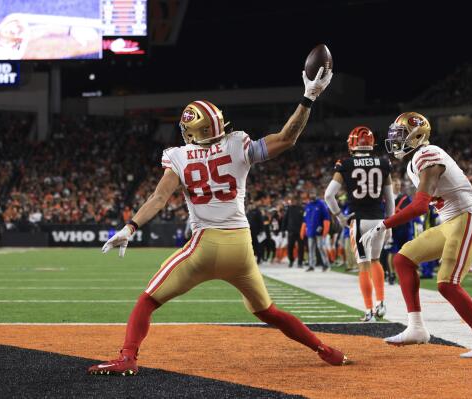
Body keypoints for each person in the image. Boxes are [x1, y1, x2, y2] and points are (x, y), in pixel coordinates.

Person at [89, 67, 349, 376]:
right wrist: (309, 97)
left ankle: (128, 357)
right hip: (240, 247)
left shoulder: (178, 156)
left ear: (189, 132)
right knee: (268, 311)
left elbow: (159, 198)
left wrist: (129, 227)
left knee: (147, 300)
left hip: (205, 245)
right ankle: (325, 350)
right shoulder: (237, 143)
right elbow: (287, 138)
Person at [361, 111, 472, 358]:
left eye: (401, 135)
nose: (396, 140)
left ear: (417, 135)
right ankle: (416, 328)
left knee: (447, 284)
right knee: (403, 259)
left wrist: (382, 225)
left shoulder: (428, 154)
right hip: (451, 221)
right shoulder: (415, 160)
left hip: (468, 217)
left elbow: (419, 206)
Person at [324, 126, 394, 322]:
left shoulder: (345, 164)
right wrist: (390, 222)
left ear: (351, 144)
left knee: (363, 266)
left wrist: (340, 216)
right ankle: (381, 303)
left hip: (360, 220)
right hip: (379, 219)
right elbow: (389, 198)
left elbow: (328, 195)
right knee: (376, 261)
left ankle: (369, 311)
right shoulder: (383, 163)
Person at [387, 176, 414, 285]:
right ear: (391, 185)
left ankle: (402, 274)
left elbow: (411, 210)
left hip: (404, 228)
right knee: (392, 251)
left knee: (404, 252)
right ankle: (391, 273)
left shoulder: (405, 198)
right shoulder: (387, 197)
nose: (398, 186)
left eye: (399, 184)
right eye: (395, 184)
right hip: (393, 228)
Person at [301, 189, 331, 272]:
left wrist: (324, 229)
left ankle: (326, 264)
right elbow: (305, 219)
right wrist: (304, 229)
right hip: (310, 230)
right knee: (311, 248)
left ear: (316, 194)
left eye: (313, 193)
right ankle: (311, 265)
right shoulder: (308, 205)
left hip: (319, 230)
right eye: (311, 194)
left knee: (321, 247)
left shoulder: (321, 204)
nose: (312, 195)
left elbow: (326, 217)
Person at [282, 194, 305, 267]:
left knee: (301, 247)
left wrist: (304, 230)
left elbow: (305, 220)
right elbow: (285, 220)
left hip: (300, 231)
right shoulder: (289, 209)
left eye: (294, 200)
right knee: (290, 247)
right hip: (291, 231)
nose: (293, 202)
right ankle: (291, 261)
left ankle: (300, 262)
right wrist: (283, 230)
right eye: (292, 200)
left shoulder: (302, 209)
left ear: (297, 201)